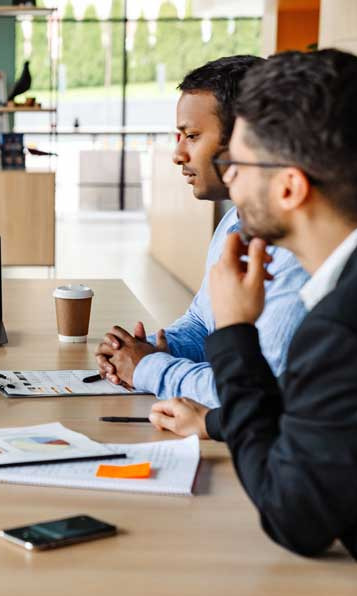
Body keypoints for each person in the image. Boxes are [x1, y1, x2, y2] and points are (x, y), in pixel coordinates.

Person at [151, 50, 357, 564]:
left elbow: (295, 517)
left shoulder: (341, 329)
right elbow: (308, 418)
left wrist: (234, 331)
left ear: (290, 186)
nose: (232, 181)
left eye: (238, 165)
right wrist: (217, 422)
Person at [95, 56, 308, 409]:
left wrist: (150, 367)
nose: (178, 154)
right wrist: (143, 350)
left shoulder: (297, 254)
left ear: (246, 139)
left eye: (192, 136)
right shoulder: (233, 223)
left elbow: (254, 390)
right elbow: (203, 321)